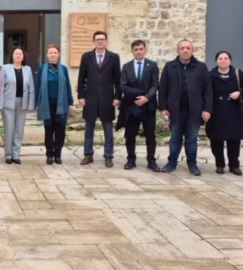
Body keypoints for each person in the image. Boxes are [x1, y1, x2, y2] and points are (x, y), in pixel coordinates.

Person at [159, 39, 212, 176]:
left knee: (192, 139)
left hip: (194, 111)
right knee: (175, 138)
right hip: (175, 111)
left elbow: (207, 90)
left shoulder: (201, 67)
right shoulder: (170, 66)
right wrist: (163, 108)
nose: (185, 50)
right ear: (178, 51)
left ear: (192, 50)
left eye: (188, 48)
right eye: (182, 48)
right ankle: (171, 163)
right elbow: (163, 89)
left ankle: (192, 164)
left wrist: (207, 109)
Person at [77, 31, 121, 167]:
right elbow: (81, 79)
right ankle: (88, 154)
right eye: (97, 39)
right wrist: (81, 96)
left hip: (107, 98)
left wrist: (117, 97)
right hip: (90, 98)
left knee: (108, 129)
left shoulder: (114, 57)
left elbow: (118, 80)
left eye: (102, 39)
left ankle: (108, 156)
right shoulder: (86, 57)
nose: (100, 41)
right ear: (94, 42)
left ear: (106, 41)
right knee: (89, 129)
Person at [207, 51, 243, 176]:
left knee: (234, 140)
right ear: (216, 61)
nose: (223, 60)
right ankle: (220, 164)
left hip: (234, 112)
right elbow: (205, 92)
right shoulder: (210, 75)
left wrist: (240, 93)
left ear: (230, 61)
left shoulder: (238, 74)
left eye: (225, 58)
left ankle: (234, 165)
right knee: (216, 139)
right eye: (220, 58)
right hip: (216, 112)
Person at [116, 40, 160, 172]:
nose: (139, 51)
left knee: (150, 135)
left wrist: (146, 97)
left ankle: (151, 160)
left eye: (141, 49)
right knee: (130, 134)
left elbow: (155, 84)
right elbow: (123, 85)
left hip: (148, 106)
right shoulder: (126, 66)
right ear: (132, 51)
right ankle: (131, 159)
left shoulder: (152, 65)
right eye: (136, 49)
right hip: (131, 105)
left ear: (145, 50)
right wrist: (138, 95)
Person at [35, 45, 73, 165]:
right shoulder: (42, 69)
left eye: (55, 52)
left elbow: (67, 86)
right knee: (49, 129)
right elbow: (38, 86)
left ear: (58, 54)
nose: (52, 55)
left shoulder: (64, 69)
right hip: (47, 104)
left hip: (61, 104)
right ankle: (49, 154)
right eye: (50, 53)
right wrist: (36, 103)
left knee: (60, 130)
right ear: (47, 55)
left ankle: (58, 154)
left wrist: (70, 102)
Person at [0, 46, 35, 165]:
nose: (18, 56)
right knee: (9, 129)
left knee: (19, 130)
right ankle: (8, 154)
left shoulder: (27, 69)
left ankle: (16, 154)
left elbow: (31, 88)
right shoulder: (5, 68)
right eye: (16, 54)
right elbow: (1, 87)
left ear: (23, 56)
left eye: (20, 54)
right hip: (8, 103)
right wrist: (0, 104)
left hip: (22, 103)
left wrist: (30, 105)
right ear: (12, 56)